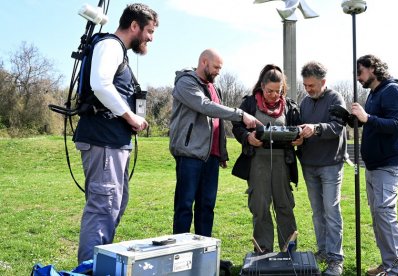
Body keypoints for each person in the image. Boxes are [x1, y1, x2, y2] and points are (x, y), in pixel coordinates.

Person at [73, 4, 158, 263]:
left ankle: (99, 264)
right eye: (149, 31)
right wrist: (130, 115)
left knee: (114, 206)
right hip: (103, 142)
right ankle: (88, 270)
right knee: (102, 209)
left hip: (113, 143)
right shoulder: (110, 46)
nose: (150, 38)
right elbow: (100, 84)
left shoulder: (118, 51)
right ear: (134, 25)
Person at [169, 49, 260, 238]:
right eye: (216, 67)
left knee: (207, 207)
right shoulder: (186, 82)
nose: (219, 71)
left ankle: (205, 254)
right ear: (204, 62)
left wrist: (221, 152)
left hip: (211, 157)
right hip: (190, 155)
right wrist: (241, 114)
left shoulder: (214, 87)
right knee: (185, 206)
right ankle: (179, 255)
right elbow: (206, 107)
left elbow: (217, 122)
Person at [231, 64, 301, 254]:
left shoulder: (290, 106)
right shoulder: (249, 104)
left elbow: (298, 130)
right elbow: (237, 127)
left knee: (284, 205)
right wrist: (247, 137)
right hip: (257, 161)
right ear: (262, 86)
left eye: (278, 91)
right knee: (260, 206)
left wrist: (298, 138)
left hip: (282, 162)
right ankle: (263, 250)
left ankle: (289, 249)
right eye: (270, 91)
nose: (273, 95)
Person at [351, 54, 398, 276]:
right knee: (378, 216)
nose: (357, 78)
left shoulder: (392, 90)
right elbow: (373, 123)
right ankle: (387, 264)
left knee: (385, 213)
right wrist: (352, 118)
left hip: (388, 164)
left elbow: (397, 125)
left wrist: (367, 118)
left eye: (360, 72)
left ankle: (395, 269)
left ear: (373, 68)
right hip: (373, 165)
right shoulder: (373, 94)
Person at [296, 61, 347, 276]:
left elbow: (337, 127)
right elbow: (299, 129)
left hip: (331, 165)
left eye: (312, 86)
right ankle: (323, 251)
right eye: (306, 85)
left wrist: (315, 129)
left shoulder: (336, 99)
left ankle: (336, 259)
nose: (308, 90)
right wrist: (296, 137)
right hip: (309, 164)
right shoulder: (304, 102)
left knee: (331, 210)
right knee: (317, 212)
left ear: (323, 82)